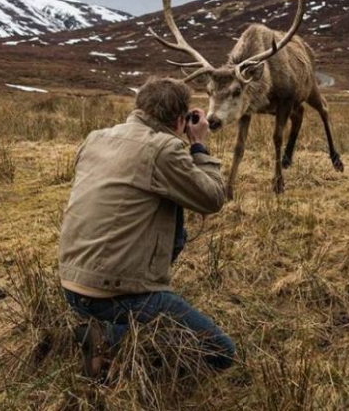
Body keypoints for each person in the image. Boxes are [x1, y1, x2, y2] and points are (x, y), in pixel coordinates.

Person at [59, 76, 235, 378]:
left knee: (173, 222)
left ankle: (102, 331)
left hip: (72, 285)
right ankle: (111, 342)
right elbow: (213, 198)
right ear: (181, 119)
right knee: (220, 351)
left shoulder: (96, 137)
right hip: (115, 295)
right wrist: (198, 146)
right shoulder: (164, 149)